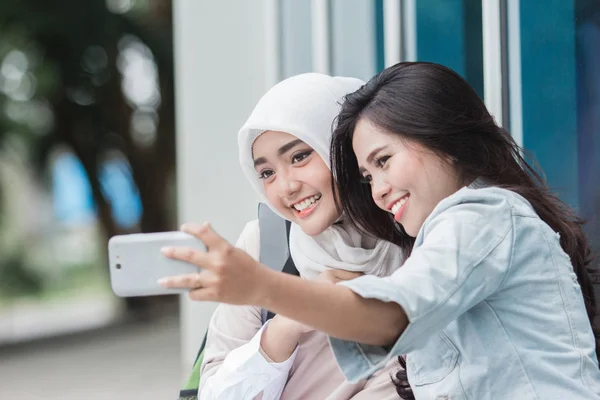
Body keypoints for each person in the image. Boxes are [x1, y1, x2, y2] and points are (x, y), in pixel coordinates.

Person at [160, 62, 600, 399]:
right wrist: (280, 317)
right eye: (367, 175)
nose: (379, 189)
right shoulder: (267, 243)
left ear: (440, 139)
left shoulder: (476, 220)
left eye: (383, 161)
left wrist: (265, 288)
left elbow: (392, 316)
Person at [178, 73, 404, 399]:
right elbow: (214, 393)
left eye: (299, 156)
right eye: (267, 173)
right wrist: (294, 315)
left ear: (343, 148)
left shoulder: (412, 240)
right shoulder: (266, 243)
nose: (286, 187)